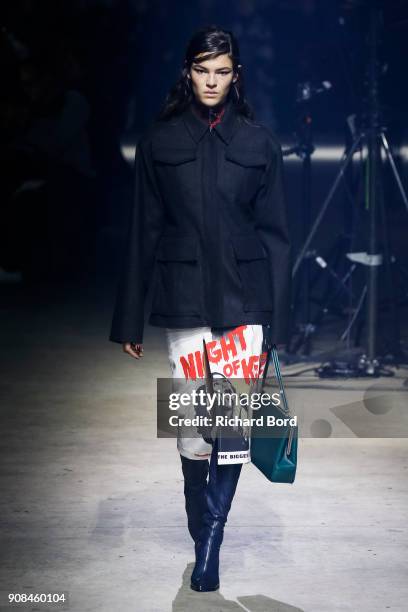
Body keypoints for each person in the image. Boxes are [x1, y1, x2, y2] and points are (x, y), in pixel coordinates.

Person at [109, 25, 291, 592]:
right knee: (193, 428)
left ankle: (210, 541)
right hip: (184, 302)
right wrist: (128, 318)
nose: (211, 81)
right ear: (187, 73)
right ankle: (200, 526)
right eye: (202, 70)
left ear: (237, 76)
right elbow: (143, 229)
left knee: (232, 425)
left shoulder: (259, 143)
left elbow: (278, 237)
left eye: (222, 71)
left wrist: (277, 322)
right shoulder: (160, 142)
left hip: (245, 302)